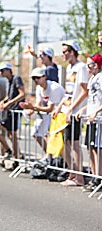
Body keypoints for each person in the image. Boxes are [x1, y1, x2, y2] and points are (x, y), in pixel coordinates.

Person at [53, 41, 88, 186]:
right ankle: (72, 172)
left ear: (72, 52)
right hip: (66, 109)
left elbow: (84, 92)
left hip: (74, 112)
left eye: (65, 51)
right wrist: (59, 107)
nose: (63, 54)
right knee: (66, 141)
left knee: (74, 143)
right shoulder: (69, 68)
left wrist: (72, 109)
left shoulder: (81, 68)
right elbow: (68, 92)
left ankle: (79, 176)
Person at [20, 68, 65, 162]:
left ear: (44, 77)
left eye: (38, 77)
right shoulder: (39, 88)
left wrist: (33, 108)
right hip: (50, 114)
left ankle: (62, 159)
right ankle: (50, 156)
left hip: (61, 113)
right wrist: (30, 109)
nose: (36, 80)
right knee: (36, 133)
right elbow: (38, 103)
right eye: (34, 78)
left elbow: (50, 108)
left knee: (57, 139)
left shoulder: (54, 88)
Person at [75, 53, 102, 191]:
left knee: (98, 149)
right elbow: (92, 100)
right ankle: (94, 176)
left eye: (89, 65)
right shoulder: (92, 79)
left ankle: (99, 177)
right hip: (91, 118)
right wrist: (84, 110)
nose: (87, 68)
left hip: (99, 119)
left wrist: (96, 112)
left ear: (95, 66)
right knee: (90, 147)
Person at [0, 62, 25, 168]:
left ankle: (15, 155)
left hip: (15, 110)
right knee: (10, 134)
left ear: (8, 70)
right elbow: (9, 96)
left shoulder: (16, 79)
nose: (1, 73)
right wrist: (3, 101)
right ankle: (16, 154)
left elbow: (22, 94)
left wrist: (9, 103)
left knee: (11, 133)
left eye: (2, 70)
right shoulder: (8, 81)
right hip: (10, 110)